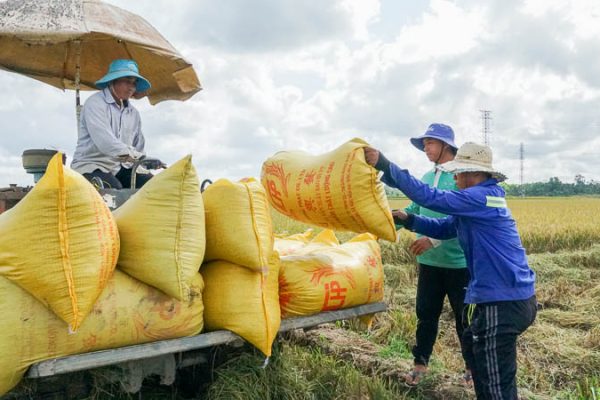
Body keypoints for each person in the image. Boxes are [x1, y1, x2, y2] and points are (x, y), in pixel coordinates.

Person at [365, 142, 536, 399]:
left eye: (459, 172)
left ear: (474, 175)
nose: (454, 177)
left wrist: (385, 165)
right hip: (511, 298)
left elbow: (431, 197)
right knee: (489, 369)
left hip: (501, 302)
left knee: (493, 384)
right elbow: (446, 228)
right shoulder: (482, 200)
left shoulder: (479, 198)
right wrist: (409, 219)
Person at [401, 124, 471, 386]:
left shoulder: (462, 177)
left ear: (446, 145)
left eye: (430, 143)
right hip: (429, 263)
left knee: (465, 319)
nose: (426, 149)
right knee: (426, 315)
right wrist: (387, 222)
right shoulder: (427, 178)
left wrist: (432, 239)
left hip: (458, 263)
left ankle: (471, 369)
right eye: (425, 144)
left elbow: (462, 217)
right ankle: (420, 364)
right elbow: (413, 207)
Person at [71, 59, 155, 189]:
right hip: (91, 165)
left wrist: (145, 162)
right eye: (127, 81)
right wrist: (138, 157)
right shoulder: (95, 104)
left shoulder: (133, 113)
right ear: (112, 81)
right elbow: (106, 143)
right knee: (114, 189)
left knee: (153, 185)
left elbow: (139, 146)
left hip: (120, 167)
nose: (131, 87)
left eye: (134, 83)